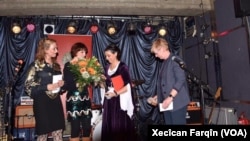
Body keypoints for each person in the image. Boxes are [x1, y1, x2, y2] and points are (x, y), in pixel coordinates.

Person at [24, 38, 65, 141]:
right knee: (43, 133)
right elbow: (28, 87)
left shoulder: (56, 66)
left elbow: (60, 89)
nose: (57, 51)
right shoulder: (36, 65)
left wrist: (61, 85)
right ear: (45, 50)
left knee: (58, 131)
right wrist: (46, 87)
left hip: (55, 102)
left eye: (57, 48)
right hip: (41, 103)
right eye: (54, 48)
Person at [148, 38, 190, 125]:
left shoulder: (175, 60)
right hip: (168, 104)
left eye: (156, 53)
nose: (156, 56)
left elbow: (180, 80)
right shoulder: (164, 63)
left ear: (162, 49)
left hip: (177, 103)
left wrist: (170, 97)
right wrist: (158, 96)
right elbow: (165, 84)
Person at [101, 44, 136, 141]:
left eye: (109, 55)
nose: (107, 58)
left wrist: (115, 93)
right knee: (109, 125)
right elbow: (105, 85)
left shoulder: (122, 67)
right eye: (106, 56)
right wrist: (99, 81)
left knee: (118, 125)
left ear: (115, 54)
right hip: (109, 100)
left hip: (119, 100)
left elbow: (128, 86)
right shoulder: (106, 67)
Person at [62, 42, 92, 141]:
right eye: (82, 52)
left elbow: (88, 81)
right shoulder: (68, 65)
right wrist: (77, 84)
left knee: (87, 127)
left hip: (85, 98)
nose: (84, 54)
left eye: (85, 52)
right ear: (76, 52)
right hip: (74, 99)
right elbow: (67, 84)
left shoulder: (85, 65)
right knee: (75, 127)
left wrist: (94, 78)